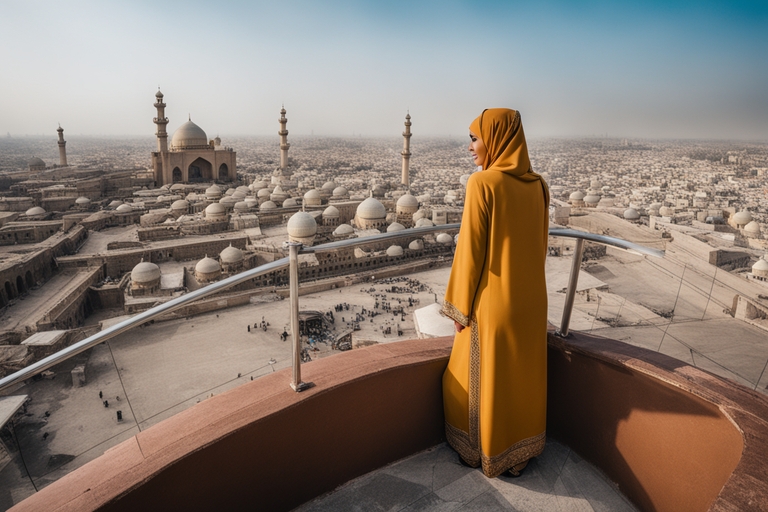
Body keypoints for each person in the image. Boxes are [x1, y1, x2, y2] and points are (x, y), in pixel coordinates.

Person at [441, 108, 549, 478]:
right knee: (520, 378)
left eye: (475, 138)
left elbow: (469, 253)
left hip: (494, 304)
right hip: (531, 302)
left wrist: (457, 308)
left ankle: (479, 452)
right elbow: (538, 247)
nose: (470, 147)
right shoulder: (538, 185)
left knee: (474, 379)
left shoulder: (483, 183)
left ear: (497, 139)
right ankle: (518, 455)